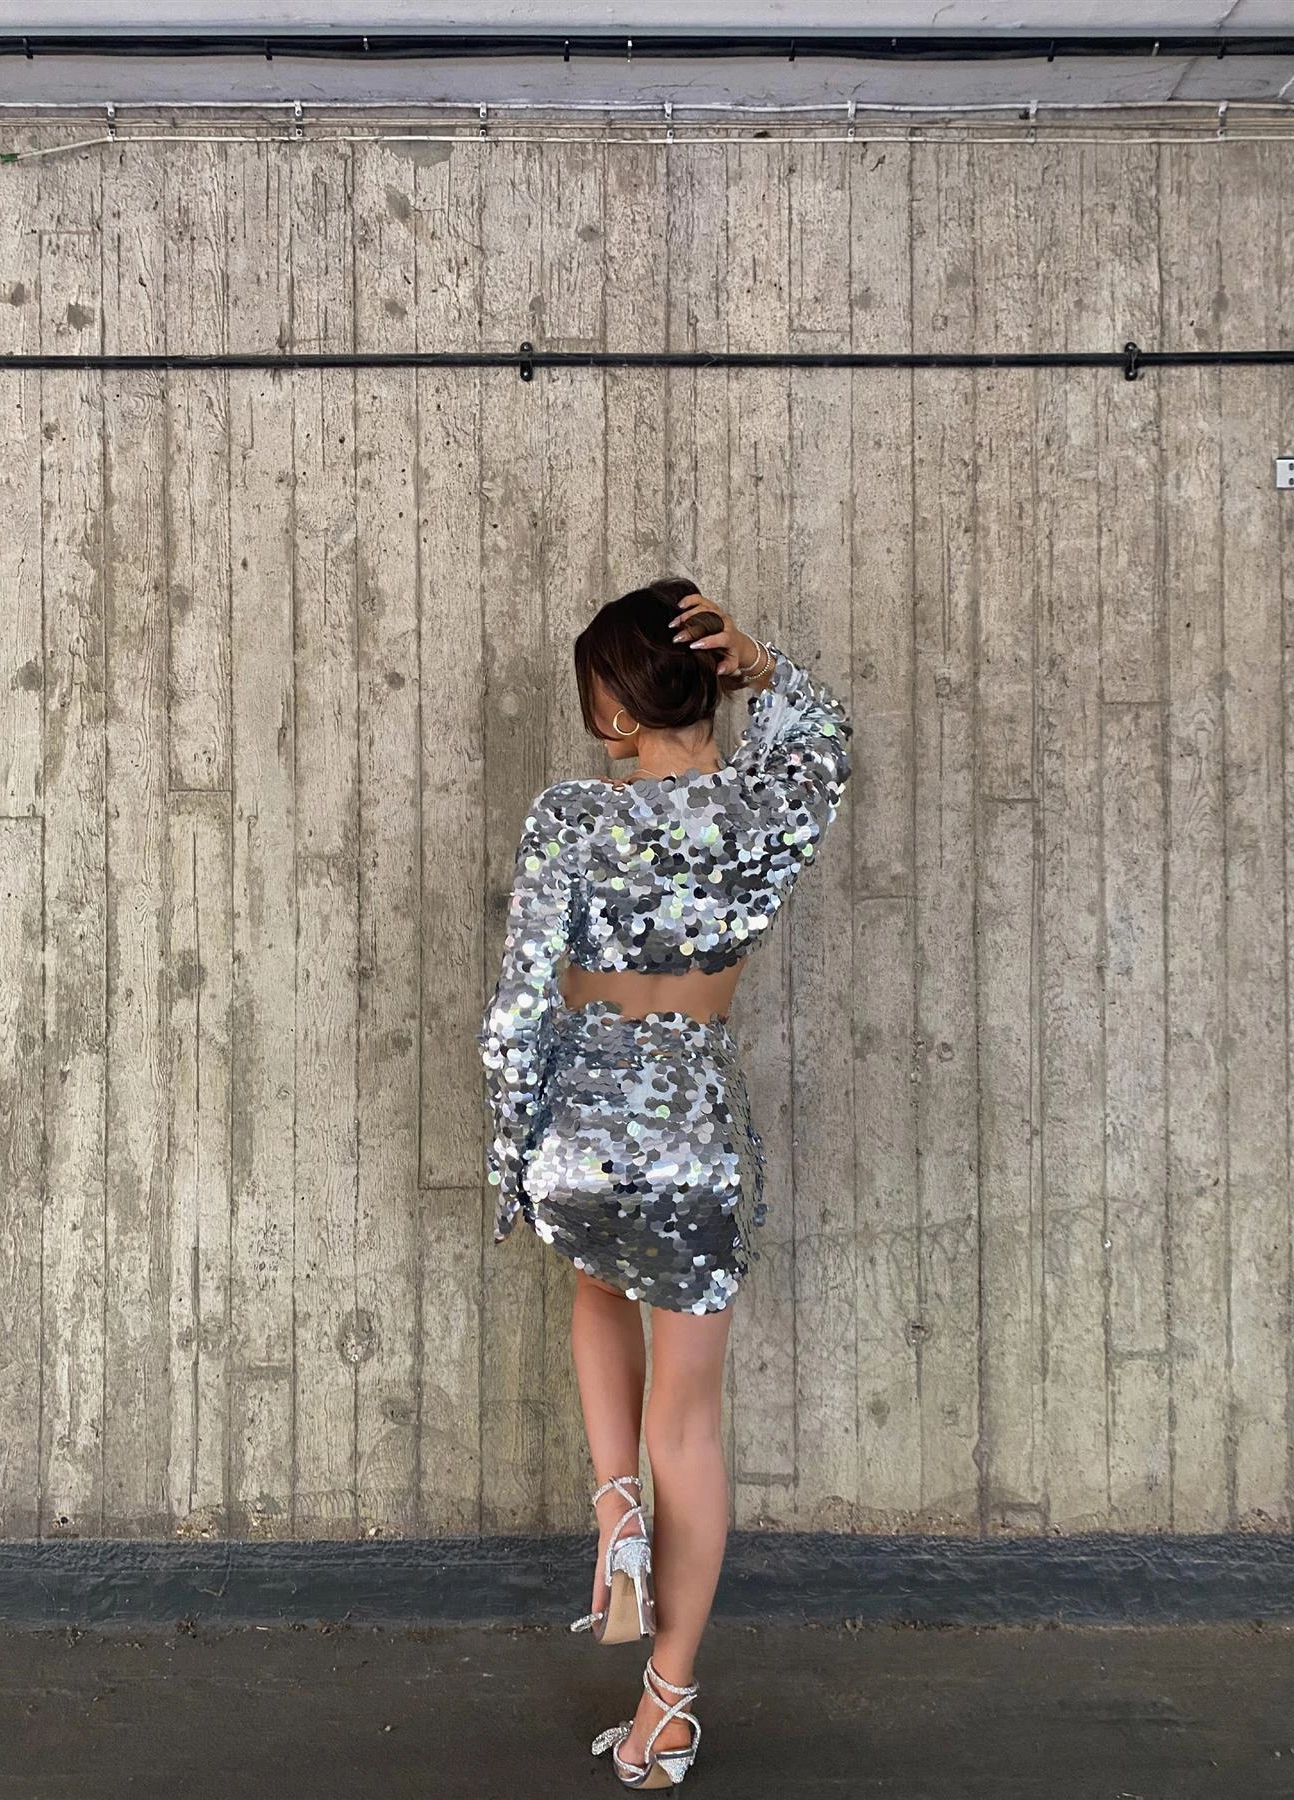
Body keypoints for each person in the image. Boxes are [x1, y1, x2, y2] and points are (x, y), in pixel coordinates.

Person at [476, 577, 853, 1788]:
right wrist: (761, 664)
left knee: (596, 1284)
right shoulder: (766, 807)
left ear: (614, 708)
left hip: (583, 1133)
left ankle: (614, 1510)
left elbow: (517, 1012)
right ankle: (668, 1708)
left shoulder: (570, 814)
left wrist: (517, 1162)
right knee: (687, 1424)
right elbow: (826, 734)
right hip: (695, 1139)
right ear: (706, 682)